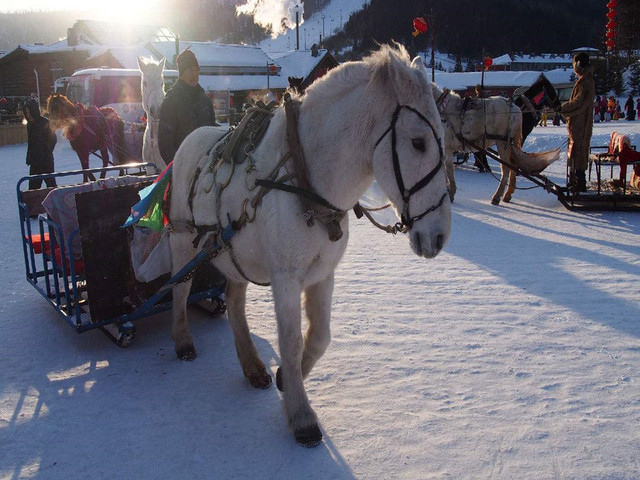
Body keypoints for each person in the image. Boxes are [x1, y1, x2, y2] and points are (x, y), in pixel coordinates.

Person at [158, 48, 217, 165]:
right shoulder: (171, 101)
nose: (194, 74)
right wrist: (179, 167)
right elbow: (165, 142)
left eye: (196, 70)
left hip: (206, 168)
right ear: (181, 74)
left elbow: (212, 129)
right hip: (184, 168)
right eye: (190, 70)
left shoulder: (205, 100)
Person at [561, 52, 595, 193]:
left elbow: (578, 102)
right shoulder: (586, 80)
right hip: (580, 122)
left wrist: (562, 108)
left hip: (580, 122)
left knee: (578, 150)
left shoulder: (584, 82)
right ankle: (576, 180)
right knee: (577, 150)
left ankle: (579, 182)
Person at [23, 97, 57, 190]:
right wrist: (29, 156)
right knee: (33, 188)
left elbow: (53, 139)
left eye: (30, 112)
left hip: (46, 161)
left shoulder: (45, 122)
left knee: (51, 186)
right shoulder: (29, 125)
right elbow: (31, 143)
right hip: (35, 162)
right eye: (26, 113)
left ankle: (54, 204)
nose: (28, 115)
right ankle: (34, 204)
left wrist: (47, 150)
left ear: (34, 111)